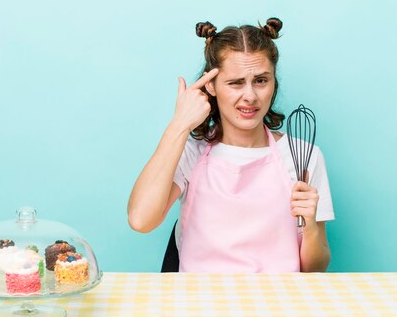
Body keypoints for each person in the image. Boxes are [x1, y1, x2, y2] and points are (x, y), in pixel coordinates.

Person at [128, 18, 334, 273]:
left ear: (273, 83)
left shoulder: (304, 156)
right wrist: (179, 125)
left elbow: (316, 269)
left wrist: (311, 225)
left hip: (278, 303)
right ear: (211, 85)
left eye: (261, 80)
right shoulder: (191, 152)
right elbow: (140, 220)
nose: (250, 95)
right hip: (201, 302)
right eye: (235, 83)